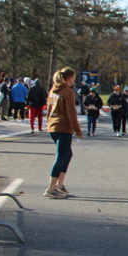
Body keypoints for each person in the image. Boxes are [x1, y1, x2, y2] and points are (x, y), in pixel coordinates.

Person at [44, 67, 83, 198]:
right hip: (63, 127)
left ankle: (60, 184)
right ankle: (51, 188)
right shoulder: (68, 92)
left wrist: (48, 123)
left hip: (53, 126)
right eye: (73, 78)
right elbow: (71, 113)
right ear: (69, 78)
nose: (74, 80)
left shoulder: (53, 90)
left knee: (67, 154)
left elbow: (49, 109)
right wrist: (77, 129)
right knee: (61, 156)